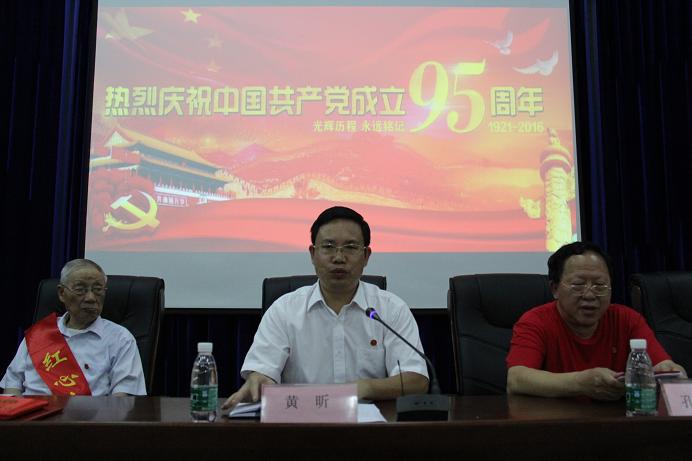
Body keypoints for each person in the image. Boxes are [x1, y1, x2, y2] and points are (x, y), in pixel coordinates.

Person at [223, 206, 429, 409]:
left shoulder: (391, 309)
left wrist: (365, 387)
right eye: (328, 247)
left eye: (350, 247)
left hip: (370, 424)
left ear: (366, 256)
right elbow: (262, 372)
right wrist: (259, 379)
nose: (339, 258)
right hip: (300, 421)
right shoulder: (284, 310)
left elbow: (416, 380)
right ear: (313, 254)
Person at [506, 241, 686, 400]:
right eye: (578, 285)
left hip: (618, 420)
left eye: (600, 285)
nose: (590, 295)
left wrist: (671, 372)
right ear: (555, 289)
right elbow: (516, 379)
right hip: (555, 422)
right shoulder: (535, 321)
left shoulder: (627, 319)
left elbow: (662, 366)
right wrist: (580, 383)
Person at [0, 259, 146, 396]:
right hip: (30, 414)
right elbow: (12, 385)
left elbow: (122, 400)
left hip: (87, 415)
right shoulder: (39, 334)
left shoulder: (120, 338)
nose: (91, 298)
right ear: (62, 293)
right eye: (80, 289)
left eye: (98, 289)